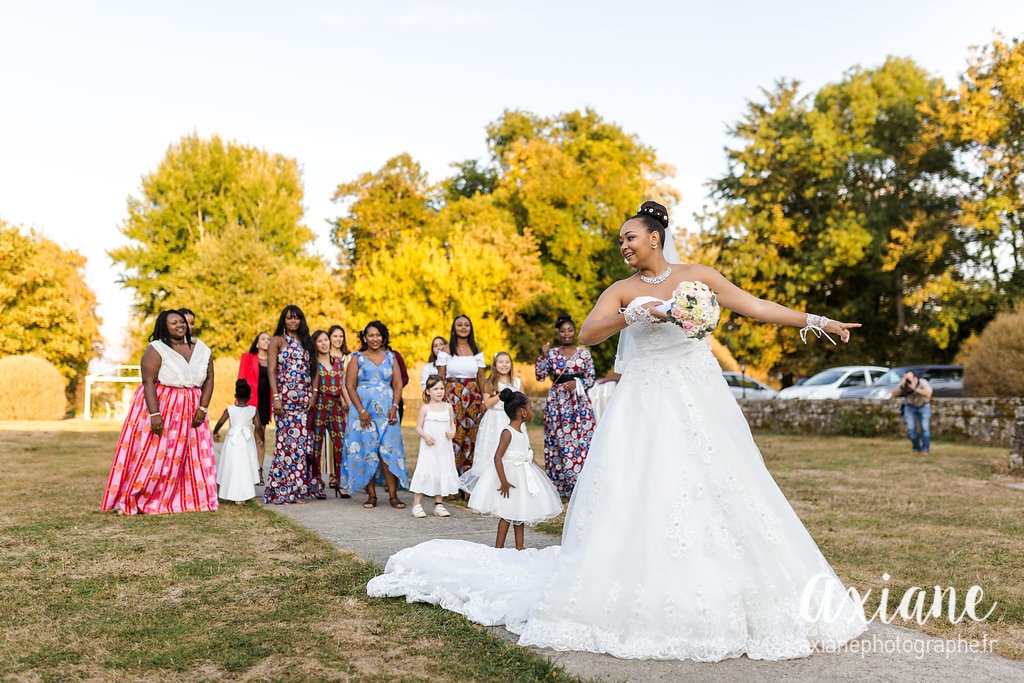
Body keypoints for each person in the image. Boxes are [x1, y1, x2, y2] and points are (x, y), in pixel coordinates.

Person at [368, 201, 867, 661]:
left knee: (724, 482)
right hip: (645, 402)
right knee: (645, 484)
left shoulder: (698, 276)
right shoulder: (622, 289)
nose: (625, 246)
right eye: (620, 241)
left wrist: (819, 320)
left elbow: (755, 306)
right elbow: (588, 333)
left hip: (700, 396)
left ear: (656, 237)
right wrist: (633, 313)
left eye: (631, 238)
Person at [101, 309, 218, 515]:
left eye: (182, 322)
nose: (180, 325)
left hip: (194, 408)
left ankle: (191, 498)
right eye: (174, 323)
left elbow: (209, 379)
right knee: (158, 455)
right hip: (166, 407)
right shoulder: (157, 349)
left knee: (191, 456)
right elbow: (148, 382)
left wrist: (203, 407)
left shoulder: (202, 349)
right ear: (164, 327)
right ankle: (142, 496)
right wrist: (155, 414)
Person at [467, 388, 562, 550]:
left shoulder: (521, 431)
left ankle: (520, 548)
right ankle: (499, 548)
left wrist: (536, 466)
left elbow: (526, 452)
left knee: (520, 513)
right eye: (531, 409)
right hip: (510, 476)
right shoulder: (508, 432)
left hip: (523, 476)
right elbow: (497, 457)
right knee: (506, 514)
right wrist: (504, 481)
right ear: (523, 412)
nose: (532, 412)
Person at [264, 305, 326, 504]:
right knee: (286, 445)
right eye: (289, 318)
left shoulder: (307, 341)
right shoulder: (277, 341)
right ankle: (284, 488)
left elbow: (315, 369)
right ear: (283, 320)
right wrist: (276, 397)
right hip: (284, 400)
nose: (293, 322)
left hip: (304, 401)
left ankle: (300, 489)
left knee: (303, 446)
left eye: (297, 318)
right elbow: (271, 370)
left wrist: (314, 394)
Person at [345, 321, 410, 509]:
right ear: (365, 337)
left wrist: (395, 406)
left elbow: (398, 384)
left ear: (383, 337)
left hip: (387, 412)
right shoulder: (357, 357)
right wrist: (361, 411)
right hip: (363, 412)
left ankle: (393, 495)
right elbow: (350, 386)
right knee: (367, 451)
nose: (375, 339)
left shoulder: (391, 357)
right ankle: (371, 495)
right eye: (371, 335)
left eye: (378, 335)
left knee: (389, 451)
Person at [535, 313, 597, 497]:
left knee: (583, 441)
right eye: (563, 331)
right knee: (560, 441)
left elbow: (591, 378)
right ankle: (562, 487)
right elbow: (539, 376)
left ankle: (582, 484)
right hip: (558, 403)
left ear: (575, 331)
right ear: (558, 333)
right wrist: (543, 355)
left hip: (579, 404)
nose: (566, 334)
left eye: (570, 330)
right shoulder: (552, 353)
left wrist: (577, 383)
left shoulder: (584, 353)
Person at [459, 351, 520, 494]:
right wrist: (501, 394)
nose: (504, 364)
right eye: (501, 362)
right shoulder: (490, 383)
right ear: (495, 365)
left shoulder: (517, 382)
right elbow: (487, 404)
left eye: (507, 361)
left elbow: (522, 402)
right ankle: (485, 491)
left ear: (511, 364)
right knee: (490, 452)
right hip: (493, 421)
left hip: (510, 420)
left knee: (510, 453)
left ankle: (509, 484)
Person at [437, 315, 486, 475]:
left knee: (472, 437)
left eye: (466, 325)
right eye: (459, 325)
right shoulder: (446, 350)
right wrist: (441, 400)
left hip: (473, 398)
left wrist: (485, 398)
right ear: (454, 328)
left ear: (470, 328)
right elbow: (441, 377)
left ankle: (468, 481)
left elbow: (481, 377)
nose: (463, 327)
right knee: (454, 436)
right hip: (453, 397)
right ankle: (451, 480)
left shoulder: (476, 350)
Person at [409, 375, 460, 518]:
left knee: (441, 470)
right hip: (429, 447)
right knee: (426, 469)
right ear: (428, 391)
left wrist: (453, 431)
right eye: (435, 388)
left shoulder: (448, 407)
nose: (439, 391)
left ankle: (439, 504)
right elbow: (418, 427)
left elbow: (452, 423)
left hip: (443, 447)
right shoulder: (425, 409)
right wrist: (425, 436)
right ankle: (417, 504)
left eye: (442, 388)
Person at [310, 329, 351, 497]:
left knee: (341, 444)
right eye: (320, 341)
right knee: (316, 446)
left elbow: (342, 386)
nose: (324, 343)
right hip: (319, 404)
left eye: (325, 340)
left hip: (336, 405)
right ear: (315, 344)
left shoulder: (338, 362)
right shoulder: (312, 364)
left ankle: (341, 482)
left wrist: (349, 403)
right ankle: (316, 483)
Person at [212, 379, 262, 504]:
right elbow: (259, 427)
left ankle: (232, 492)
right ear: (250, 396)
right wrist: (261, 438)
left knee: (232, 464)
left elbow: (220, 422)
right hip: (246, 441)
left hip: (232, 441)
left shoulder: (230, 409)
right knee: (245, 465)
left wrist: (215, 432)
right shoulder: (252, 410)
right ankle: (244, 494)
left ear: (235, 396)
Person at [237, 331, 271, 483]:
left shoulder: (273, 361)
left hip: (264, 404)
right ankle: (244, 470)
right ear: (257, 343)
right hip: (249, 402)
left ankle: (259, 470)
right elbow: (241, 378)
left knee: (260, 438)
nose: (266, 341)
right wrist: (239, 401)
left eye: (268, 339)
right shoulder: (248, 357)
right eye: (262, 339)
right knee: (245, 437)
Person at [892, 369, 933, 453]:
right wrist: (901, 387)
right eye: (905, 378)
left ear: (915, 378)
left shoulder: (922, 382)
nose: (908, 380)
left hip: (923, 406)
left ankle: (925, 449)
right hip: (910, 407)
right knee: (911, 428)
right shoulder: (903, 384)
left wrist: (914, 388)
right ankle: (916, 448)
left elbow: (928, 394)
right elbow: (893, 395)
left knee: (925, 427)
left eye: (909, 378)